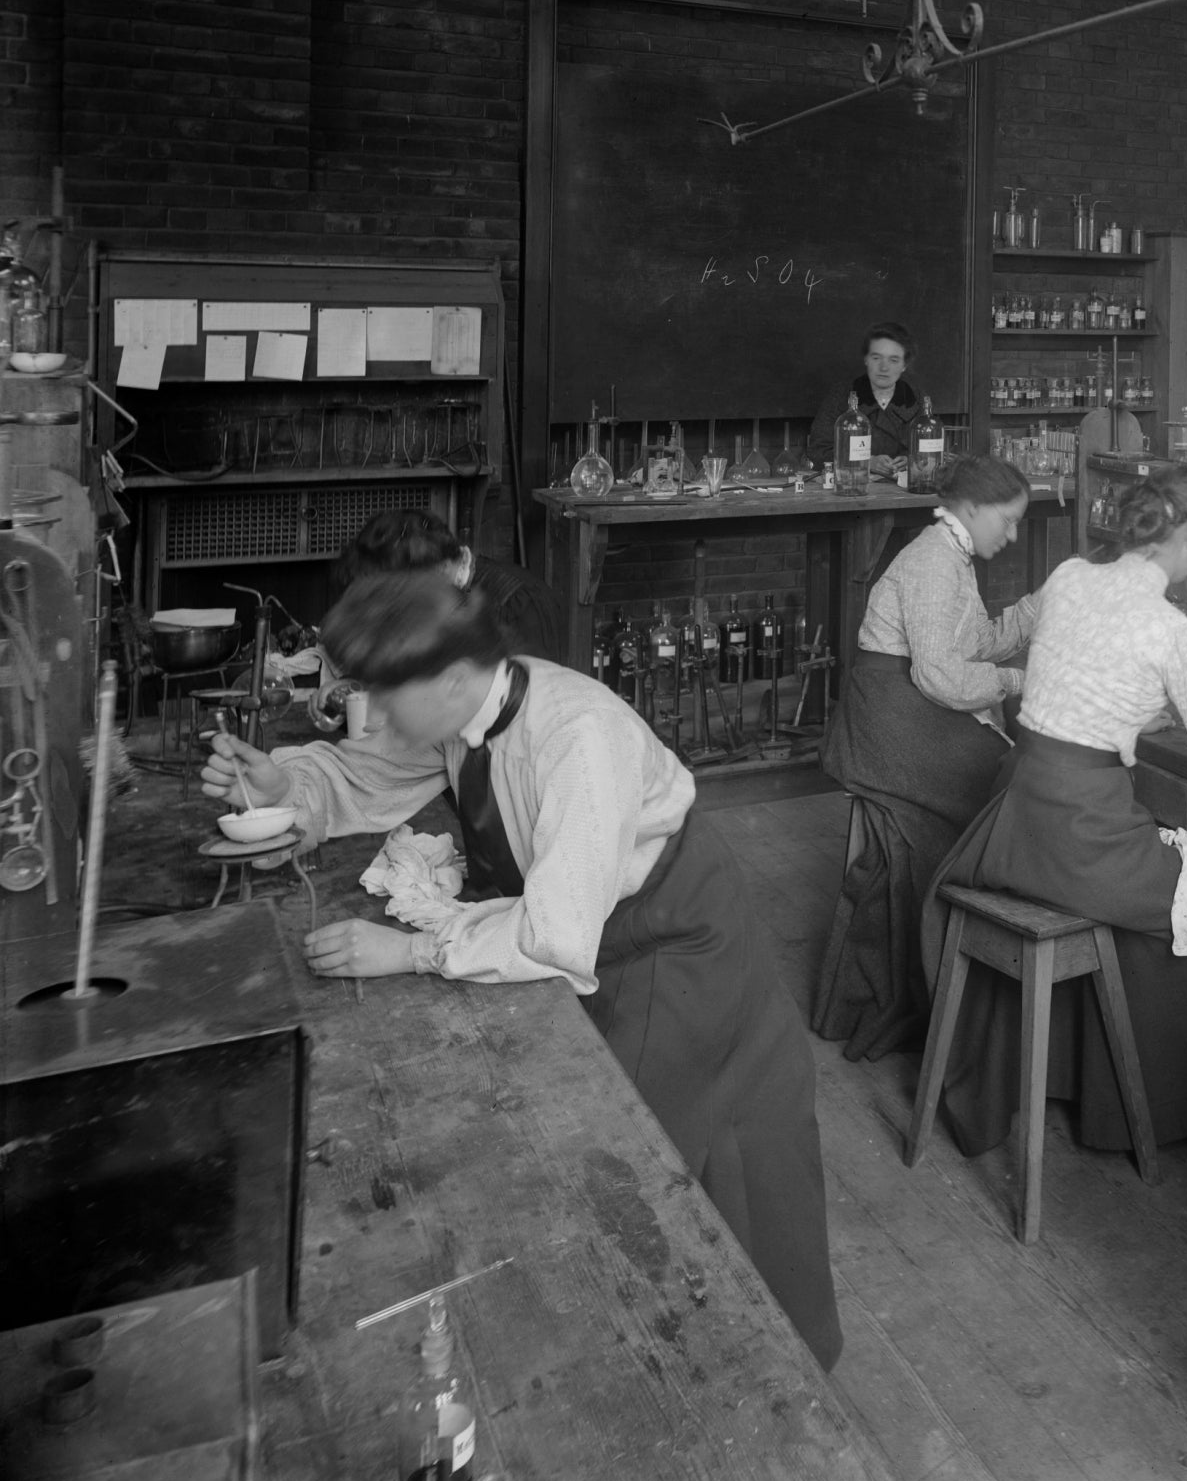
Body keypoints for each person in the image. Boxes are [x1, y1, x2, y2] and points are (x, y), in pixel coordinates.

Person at [200, 571, 842, 1371]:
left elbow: (553, 935)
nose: (381, 712)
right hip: (599, 934)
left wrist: (410, 950)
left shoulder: (576, 735)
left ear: (452, 677)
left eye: (386, 693)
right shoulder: (457, 713)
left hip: (673, 942)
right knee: (626, 1156)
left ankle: (755, 1369)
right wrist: (285, 783)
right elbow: (371, 773)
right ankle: (651, 1345)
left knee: (666, 1152)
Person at [918, 465, 1187, 1157]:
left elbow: (1084, 673)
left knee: (1181, 869)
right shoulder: (1175, 629)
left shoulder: (1071, 577)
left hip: (1016, 819)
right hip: (1084, 840)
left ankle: (1099, 1096)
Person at [812, 453, 1037, 1060]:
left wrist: (1041, 605)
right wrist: (1018, 684)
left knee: (1004, 773)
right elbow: (941, 677)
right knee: (1003, 784)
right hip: (888, 715)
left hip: (905, 704)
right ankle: (965, 984)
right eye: (1007, 521)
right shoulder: (934, 561)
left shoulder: (951, 554)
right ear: (971, 508)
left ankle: (966, 978)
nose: (1011, 535)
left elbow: (979, 643)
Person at [333, 507, 564, 665]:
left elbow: (530, 699)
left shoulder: (517, 602)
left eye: (403, 587)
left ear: (441, 567)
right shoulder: (437, 593)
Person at [806, 320, 925, 478]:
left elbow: (930, 454)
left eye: (893, 360)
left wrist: (911, 461)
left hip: (904, 492)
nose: (884, 367)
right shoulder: (841, 395)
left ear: (904, 365)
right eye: (876, 358)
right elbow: (818, 452)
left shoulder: (916, 399)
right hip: (851, 489)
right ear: (866, 359)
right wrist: (866, 462)